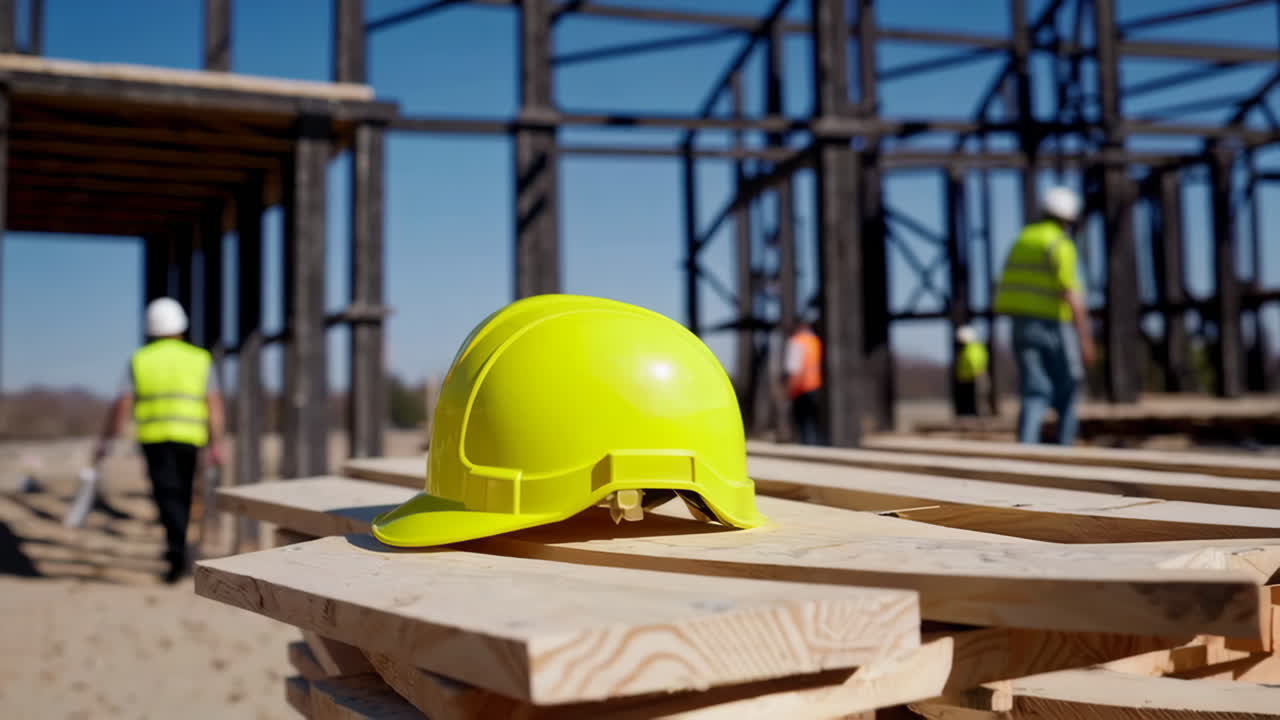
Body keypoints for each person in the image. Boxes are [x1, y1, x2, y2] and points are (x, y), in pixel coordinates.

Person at [92, 297, 226, 583]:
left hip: (154, 439)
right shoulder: (200, 359)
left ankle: (175, 549)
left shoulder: (140, 360)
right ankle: (178, 548)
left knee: (165, 495)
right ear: (182, 326)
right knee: (183, 493)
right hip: (190, 438)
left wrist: (107, 440)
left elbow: (123, 405)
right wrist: (217, 443)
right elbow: (214, 405)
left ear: (151, 328)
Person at [993, 186, 1097, 445]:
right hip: (1053, 325)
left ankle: (1027, 450)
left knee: (1034, 389)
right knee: (1070, 387)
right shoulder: (1059, 243)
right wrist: (1085, 338)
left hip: (1020, 325)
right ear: (1069, 219)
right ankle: (1063, 449)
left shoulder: (1023, 239)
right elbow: (1071, 292)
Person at [783, 318, 824, 445]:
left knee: (803, 426)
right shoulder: (815, 341)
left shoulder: (796, 342)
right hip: (816, 387)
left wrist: (788, 391)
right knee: (813, 424)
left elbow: (795, 370)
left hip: (801, 389)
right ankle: (815, 449)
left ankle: (808, 448)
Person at [954, 324, 988, 417]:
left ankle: (976, 415)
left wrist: (975, 371)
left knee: (976, 399)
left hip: (974, 376)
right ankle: (971, 414)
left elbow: (975, 361)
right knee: (971, 399)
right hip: (968, 377)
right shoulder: (974, 347)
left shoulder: (972, 348)